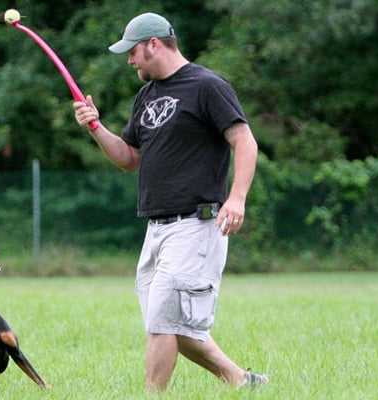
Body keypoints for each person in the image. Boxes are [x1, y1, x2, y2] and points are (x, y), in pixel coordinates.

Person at [73, 12, 268, 393]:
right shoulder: (146, 95)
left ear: (154, 44)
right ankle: (243, 382)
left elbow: (244, 140)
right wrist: (95, 127)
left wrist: (237, 198)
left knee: (163, 323)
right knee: (170, 325)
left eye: (132, 52)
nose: (129, 61)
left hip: (195, 224)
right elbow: (129, 158)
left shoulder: (207, 86)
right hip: (157, 228)